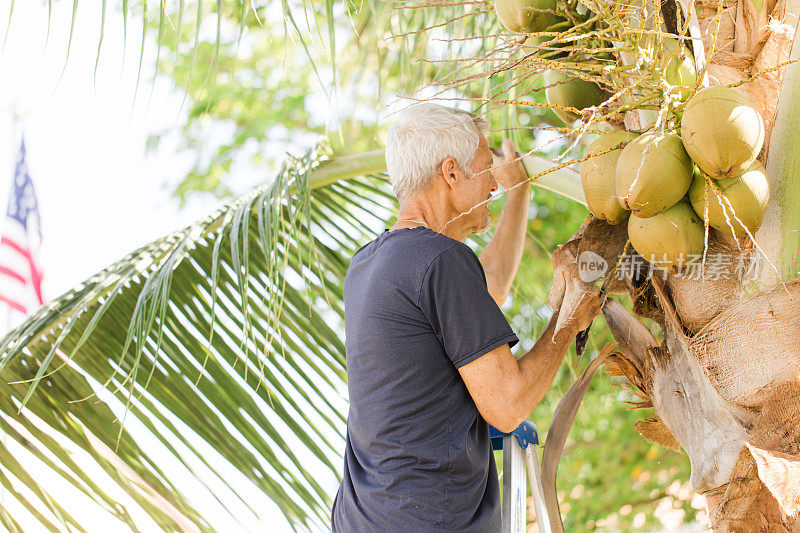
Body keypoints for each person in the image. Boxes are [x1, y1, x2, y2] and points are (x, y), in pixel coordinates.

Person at [331, 103, 603, 532]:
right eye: (485, 167)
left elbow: (487, 287)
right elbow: (507, 406)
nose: (494, 181)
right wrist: (567, 322)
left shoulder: (370, 265)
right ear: (451, 173)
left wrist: (519, 195)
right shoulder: (442, 262)